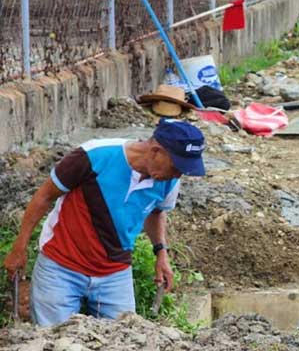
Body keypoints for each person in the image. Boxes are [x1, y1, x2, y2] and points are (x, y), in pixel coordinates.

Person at [2, 119, 206, 327]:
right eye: (177, 166)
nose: (179, 174)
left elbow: (156, 212)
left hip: (115, 272)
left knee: (125, 341)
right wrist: (20, 247)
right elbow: (44, 196)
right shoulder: (94, 156)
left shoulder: (169, 180)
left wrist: (161, 252)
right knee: (53, 344)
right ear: (155, 151)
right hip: (61, 266)